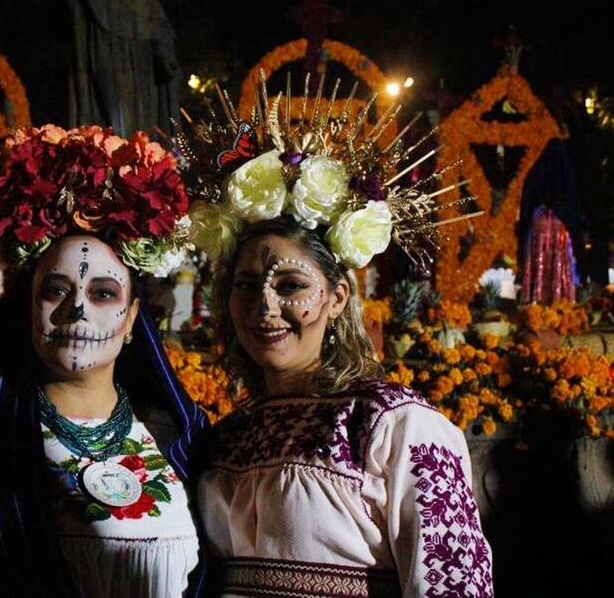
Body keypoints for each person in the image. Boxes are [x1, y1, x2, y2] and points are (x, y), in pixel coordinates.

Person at [177, 79, 494, 596]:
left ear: (338, 296)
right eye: (246, 286)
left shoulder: (390, 425)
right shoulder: (227, 437)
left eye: (291, 286)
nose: (264, 306)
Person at [0, 125, 209, 597]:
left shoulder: (179, 437)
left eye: (103, 293)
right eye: (56, 290)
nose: (77, 310)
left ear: (133, 317)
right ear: (27, 307)